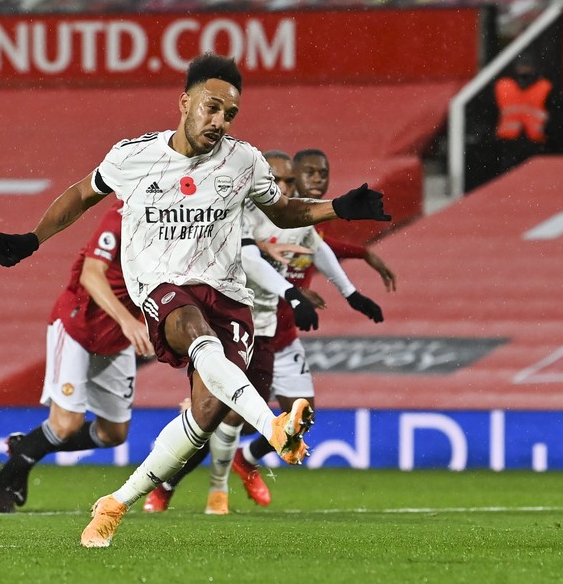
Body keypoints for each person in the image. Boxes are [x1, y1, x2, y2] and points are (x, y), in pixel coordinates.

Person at [0, 52, 390, 547]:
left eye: (230, 114)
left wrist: (339, 208)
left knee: (205, 416)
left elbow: (282, 212)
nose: (219, 121)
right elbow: (79, 195)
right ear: (185, 103)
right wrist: (32, 238)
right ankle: (274, 427)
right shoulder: (134, 156)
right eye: (211, 108)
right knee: (194, 332)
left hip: (229, 295)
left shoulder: (245, 161)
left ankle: (116, 504)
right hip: (162, 288)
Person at [141, 150, 384, 513]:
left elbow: (318, 249)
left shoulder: (299, 214)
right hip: (234, 326)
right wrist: (294, 293)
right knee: (219, 415)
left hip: (272, 330)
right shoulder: (240, 211)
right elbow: (251, 259)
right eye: (280, 179)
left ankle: (242, 461)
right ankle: (187, 486)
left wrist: (351, 293)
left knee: (288, 415)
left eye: (289, 181)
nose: (284, 186)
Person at [0, 199, 154, 513]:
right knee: (66, 424)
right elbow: (91, 275)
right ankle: (0, 484)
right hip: (78, 325)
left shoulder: (179, 225)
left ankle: (27, 447)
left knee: (112, 434)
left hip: (115, 340)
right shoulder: (122, 216)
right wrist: (130, 321)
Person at [292, 148, 397, 293]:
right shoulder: (277, 211)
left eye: (323, 174)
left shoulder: (321, 213)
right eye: (309, 173)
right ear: (293, 175)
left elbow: (316, 242)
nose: (317, 180)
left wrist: (363, 253)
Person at [493, 54, 553, 174]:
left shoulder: (545, 87)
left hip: (533, 144)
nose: (524, 70)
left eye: (527, 66)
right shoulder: (503, 86)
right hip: (509, 145)